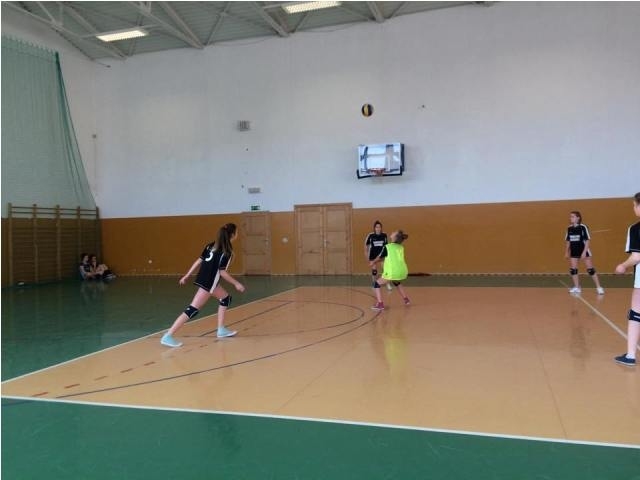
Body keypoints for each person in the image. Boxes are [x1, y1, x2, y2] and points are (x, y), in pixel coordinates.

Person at [161, 223, 245, 347]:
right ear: (232, 235)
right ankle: (168, 335)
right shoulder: (227, 252)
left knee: (225, 298)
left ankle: (221, 329)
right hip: (209, 282)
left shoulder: (211, 245)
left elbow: (199, 260)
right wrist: (236, 283)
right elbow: (222, 272)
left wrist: (187, 275)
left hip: (206, 280)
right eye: (237, 232)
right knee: (193, 309)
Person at [614, 192, 640, 367]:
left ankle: (630, 355)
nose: (634, 208)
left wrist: (623, 266)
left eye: (634, 205)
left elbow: (637, 256)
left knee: (635, 313)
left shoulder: (636, 228)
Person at [564, 211, 605, 295]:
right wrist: (566, 252)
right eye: (570, 216)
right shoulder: (569, 228)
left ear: (578, 218)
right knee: (573, 270)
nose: (571, 218)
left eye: (573, 216)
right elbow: (568, 241)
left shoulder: (583, 227)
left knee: (590, 270)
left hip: (583, 250)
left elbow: (587, 240)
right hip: (574, 251)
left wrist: (584, 252)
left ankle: (599, 287)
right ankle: (577, 287)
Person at [371, 230, 410, 310]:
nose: (392, 233)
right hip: (402, 271)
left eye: (393, 233)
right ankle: (406, 299)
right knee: (396, 282)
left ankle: (380, 304)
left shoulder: (387, 247)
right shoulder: (401, 247)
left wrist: (373, 262)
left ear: (395, 237)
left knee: (376, 284)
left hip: (392, 272)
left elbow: (380, 257)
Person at [364, 220, 391, 290]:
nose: (378, 228)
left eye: (379, 227)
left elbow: (387, 246)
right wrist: (366, 256)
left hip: (382, 255)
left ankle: (387, 283)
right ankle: (374, 283)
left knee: (385, 270)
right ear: (374, 228)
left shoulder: (384, 235)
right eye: (376, 227)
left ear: (381, 228)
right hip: (373, 255)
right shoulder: (371, 235)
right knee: (374, 271)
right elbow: (366, 246)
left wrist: (387, 255)